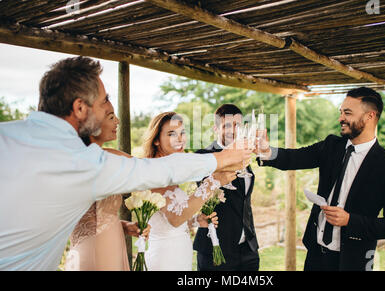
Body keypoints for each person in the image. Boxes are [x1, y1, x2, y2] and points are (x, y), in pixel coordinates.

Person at [0, 56, 251, 271]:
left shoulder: (7, 136)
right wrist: (223, 161)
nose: (112, 113)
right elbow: (154, 171)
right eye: (104, 102)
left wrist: (121, 226)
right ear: (79, 108)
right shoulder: (84, 161)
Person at [255, 87, 385, 271]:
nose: (341, 118)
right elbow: (294, 157)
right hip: (315, 257)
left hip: (352, 262)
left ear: (370, 116)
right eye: (341, 112)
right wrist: (266, 151)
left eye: (347, 113)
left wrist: (350, 220)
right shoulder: (331, 146)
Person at [141, 112, 236, 271]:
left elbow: (173, 218)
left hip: (180, 255)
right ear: (156, 140)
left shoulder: (170, 172)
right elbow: (175, 219)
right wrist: (213, 182)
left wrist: (196, 221)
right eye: (172, 134)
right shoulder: (155, 172)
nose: (180, 139)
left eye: (182, 133)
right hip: (165, 259)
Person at [64, 102, 150, 271]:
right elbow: (150, 170)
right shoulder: (104, 157)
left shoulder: (78, 160)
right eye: (111, 117)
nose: (117, 121)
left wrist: (124, 226)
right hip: (98, 252)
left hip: (107, 246)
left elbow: (93, 214)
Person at [194, 104, 260, 271]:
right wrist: (233, 153)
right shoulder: (203, 156)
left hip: (248, 248)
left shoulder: (244, 156)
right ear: (215, 128)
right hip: (216, 249)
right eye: (227, 125)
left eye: (238, 125)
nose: (233, 130)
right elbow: (205, 185)